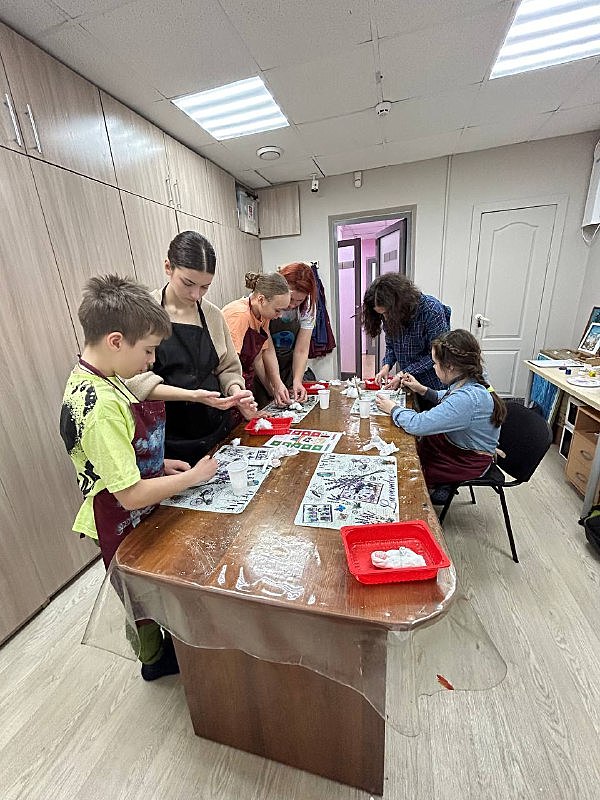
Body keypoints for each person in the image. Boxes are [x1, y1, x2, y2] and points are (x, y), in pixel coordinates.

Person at [60, 275, 218, 680]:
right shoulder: (98, 407)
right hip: (117, 513)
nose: (150, 362)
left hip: (133, 497)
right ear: (116, 341)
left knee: (151, 588)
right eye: (148, 351)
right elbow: (129, 494)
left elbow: (121, 454)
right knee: (138, 598)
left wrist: (158, 465)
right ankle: (154, 660)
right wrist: (194, 477)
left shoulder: (105, 376)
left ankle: (170, 644)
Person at [129, 231, 257, 465]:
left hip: (216, 430)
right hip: (167, 440)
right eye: (188, 283)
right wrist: (193, 396)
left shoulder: (212, 315)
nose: (195, 294)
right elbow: (135, 382)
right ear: (168, 267)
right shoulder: (143, 314)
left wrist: (235, 391)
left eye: (205, 287)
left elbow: (228, 368)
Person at [375, 329, 506, 502]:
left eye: (435, 363)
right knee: (413, 448)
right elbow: (447, 397)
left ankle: (436, 489)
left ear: (450, 366)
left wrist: (392, 408)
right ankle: (439, 486)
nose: (433, 367)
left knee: (408, 470)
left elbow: (418, 425)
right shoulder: (471, 380)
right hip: (460, 446)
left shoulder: (468, 399)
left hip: (467, 461)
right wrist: (421, 389)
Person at [362, 273, 451, 391]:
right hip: (408, 382)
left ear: (398, 305)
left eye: (386, 313)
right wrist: (386, 366)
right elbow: (391, 345)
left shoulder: (431, 310)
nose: (386, 318)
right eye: (382, 314)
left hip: (433, 383)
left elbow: (437, 355)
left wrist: (403, 373)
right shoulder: (390, 313)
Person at [253, 261, 318, 406]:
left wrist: (297, 380)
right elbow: (265, 350)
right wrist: (273, 386)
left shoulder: (307, 308)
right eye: (290, 298)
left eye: (299, 301)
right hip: (264, 368)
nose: (292, 305)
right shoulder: (264, 303)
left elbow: (301, 350)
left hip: (289, 367)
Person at [222, 272, 291, 406]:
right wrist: (241, 403)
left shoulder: (262, 314)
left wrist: (275, 386)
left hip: (242, 381)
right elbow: (228, 367)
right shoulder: (239, 315)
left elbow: (261, 354)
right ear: (261, 299)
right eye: (277, 310)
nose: (280, 315)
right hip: (227, 385)